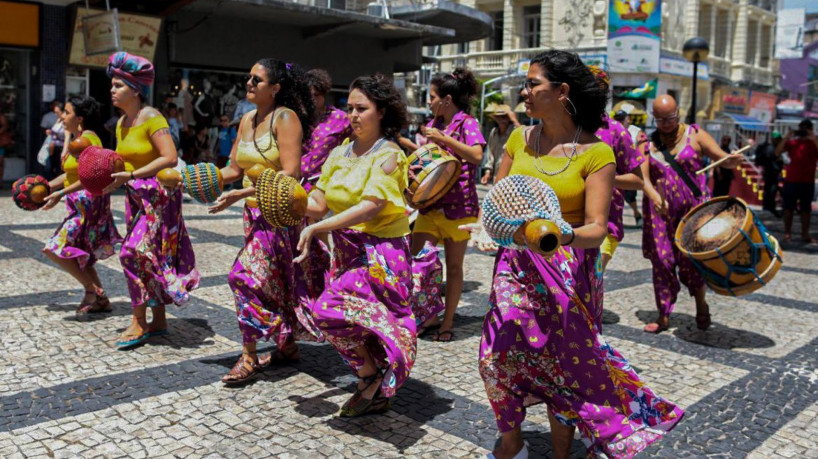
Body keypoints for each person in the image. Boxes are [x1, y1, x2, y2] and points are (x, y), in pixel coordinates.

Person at [463, 50, 683, 459]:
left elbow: (597, 228)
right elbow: (497, 203)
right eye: (525, 84)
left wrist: (558, 235)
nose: (523, 92)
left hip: (570, 269)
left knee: (566, 366)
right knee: (494, 355)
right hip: (517, 265)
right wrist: (484, 227)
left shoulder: (596, 153)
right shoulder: (517, 139)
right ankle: (511, 439)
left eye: (532, 84)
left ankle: (563, 452)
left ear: (562, 91)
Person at [294, 73, 439, 416]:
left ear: (382, 113)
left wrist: (318, 229)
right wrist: (291, 200)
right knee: (362, 326)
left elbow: (372, 205)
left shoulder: (390, 155)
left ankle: (369, 377)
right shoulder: (339, 153)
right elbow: (317, 201)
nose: (353, 115)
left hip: (380, 254)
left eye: (362, 108)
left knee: (326, 311)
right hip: (345, 251)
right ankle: (378, 387)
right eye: (349, 108)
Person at [207, 59, 329, 386]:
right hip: (253, 215)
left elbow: (292, 173)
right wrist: (195, 177)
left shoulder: (285, 118)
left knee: (244, 277)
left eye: (256, 80)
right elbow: (233, 169)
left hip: (279, 215)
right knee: (278, 281)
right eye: (248, 77)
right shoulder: (246, 119)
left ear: (274, 88)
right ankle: (287, 346)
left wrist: (241, 192)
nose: (248, 83)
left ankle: (248, 356)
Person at [102, 52, 200, 349]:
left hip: (159, 198)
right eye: (113, 84)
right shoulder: (121, 122)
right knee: (150, 255)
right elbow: (122, 162)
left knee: (131, 252)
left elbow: (169, 156)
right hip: (135, 199)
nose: (112, 89)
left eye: (118, 85)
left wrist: (131, 175)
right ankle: (159, 319)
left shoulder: (152, 117)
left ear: (135, 89)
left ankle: (138, 320)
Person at [640, 94, 742, 333]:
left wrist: (732, 160)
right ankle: (664, 315)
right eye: (661, 119)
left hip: (692, 212)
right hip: (660, 212)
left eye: (671, 117)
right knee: (662, 262)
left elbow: (721, 159)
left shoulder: (695, 134)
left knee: (691, 262)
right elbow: (642, 177)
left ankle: (701, 305)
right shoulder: (647, 143)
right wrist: (654, 196)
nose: (666, 123)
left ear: (679, 112)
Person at [406, 68, 486, 342]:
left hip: (459, 209)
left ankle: (447, 322)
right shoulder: (436, 123)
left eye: (431, 97)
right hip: (430, 206)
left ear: (447, 99)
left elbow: (476, 155)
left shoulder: (467, 123)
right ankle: (425, 315)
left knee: (453, 268)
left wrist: (444, 139)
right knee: (418, 263)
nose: (428, 102)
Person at [40, 95, 123, 316]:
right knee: (82, 257)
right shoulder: (78, 138)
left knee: (54, 248)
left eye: (67, 112)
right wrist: (44, 187)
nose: (62, 115)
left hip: (89, 207)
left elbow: (90, 178)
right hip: (78, 205)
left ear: (80, 118)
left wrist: (59, 193)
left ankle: (91, 290)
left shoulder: (90, 141)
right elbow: (70, 175)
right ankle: (101, 299)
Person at [589, 67, 644, 274]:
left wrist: (606, 179)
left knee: (591, 278)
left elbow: (637, 180)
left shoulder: (615, 131)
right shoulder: (567, 128)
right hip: (567, 222)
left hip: (605, 223)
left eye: (597, 90)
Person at [301, 68, 352, 192]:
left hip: (325, 187)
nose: (311, 100)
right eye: (308, 96)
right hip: (297, 185)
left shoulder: (340, 118)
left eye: (316, 95)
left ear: (324, 94)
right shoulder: (297, 118)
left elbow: (359, 144)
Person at [776, 119, 818, 243]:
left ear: (811, 129)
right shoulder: (793, 142)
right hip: (791, 180)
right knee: (788, 208)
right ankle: (787, 234)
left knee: (806, 210)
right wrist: (786, 137)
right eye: (802, 128)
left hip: (808, 181)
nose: (804, 131)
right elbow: (777, 152)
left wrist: (813, 138)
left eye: (807, 128)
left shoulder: (814, 143)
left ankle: (805, 234)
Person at [481, 104, 521, 185]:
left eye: (504, 116)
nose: (501, 119)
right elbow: (490, 153)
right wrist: (488, 172)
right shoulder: (494, 132)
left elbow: (525, 138)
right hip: (497, 176)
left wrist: (514, 120)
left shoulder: (515, 132)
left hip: (512, 177)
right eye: (499, 117)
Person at [754, 131, 783, 217]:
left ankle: (768, 207)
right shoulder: (771, 148)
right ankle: (769, 207)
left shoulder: (771, 147)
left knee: (770, 190)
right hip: (771, 173)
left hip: (771, 173)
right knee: (771, 191)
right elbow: (773, 160)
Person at [46, 102, 66, 179]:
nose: (56, 114)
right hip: (52, 148)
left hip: (60, 148)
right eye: (55, 112)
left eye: (57, 112)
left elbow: (66, 136)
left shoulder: (66, 122)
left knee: (59, 169)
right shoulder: (58, 121)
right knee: (48, 168)